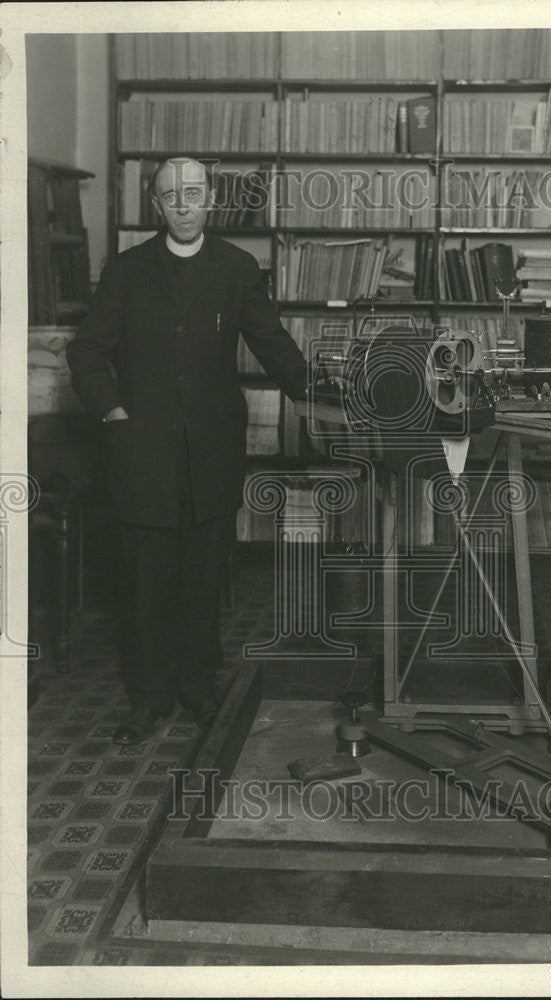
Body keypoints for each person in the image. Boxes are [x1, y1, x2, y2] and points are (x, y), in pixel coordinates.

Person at [67, 157, 308, 744]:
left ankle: (199, 686)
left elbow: (273, 344)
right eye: (171, 194)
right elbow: (86, 352)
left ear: (211, 199)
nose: (183, 204)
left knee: (203, 574)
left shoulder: (237, 266)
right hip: (141, 452)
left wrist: (319, 393)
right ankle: (148, 698)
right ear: (157, 203)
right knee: (147, 579)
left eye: (193, 193)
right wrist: (114, 411)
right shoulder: (125, 271)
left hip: (212, 452)